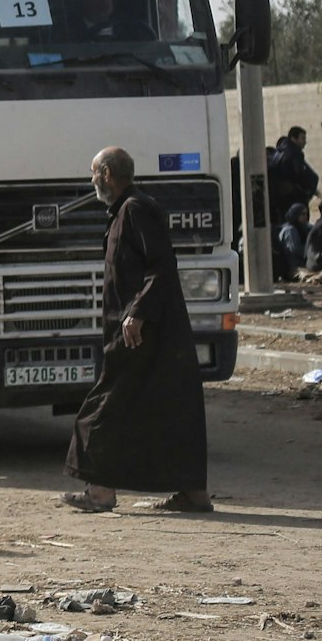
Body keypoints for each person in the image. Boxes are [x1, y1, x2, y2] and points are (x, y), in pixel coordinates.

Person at [62, 147, 212, 515]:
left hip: (139, 332)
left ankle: (100, 492)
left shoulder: (135, 209)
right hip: (147, 330)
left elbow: (161, 265)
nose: (92, 180)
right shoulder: (127, 210)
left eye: (94, 173)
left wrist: (137, 314)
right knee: (170, 409)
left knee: (105, 406)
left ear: (108, 174)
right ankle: (193, 493)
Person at [267, 127, 319, 222]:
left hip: (279, 198)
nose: (305, 142)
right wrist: (306, 191)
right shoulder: (295, 153)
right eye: (302, 139)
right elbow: (299, 174)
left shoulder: (279, 151)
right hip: (294, 196)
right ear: (293, 139)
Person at [275, 203, 310, 279]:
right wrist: (310, 251)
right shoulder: (290, 230)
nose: (305, 216)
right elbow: (294, 250)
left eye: (306, 214)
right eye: (303, 214)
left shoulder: (302, 227)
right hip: (292, 265)